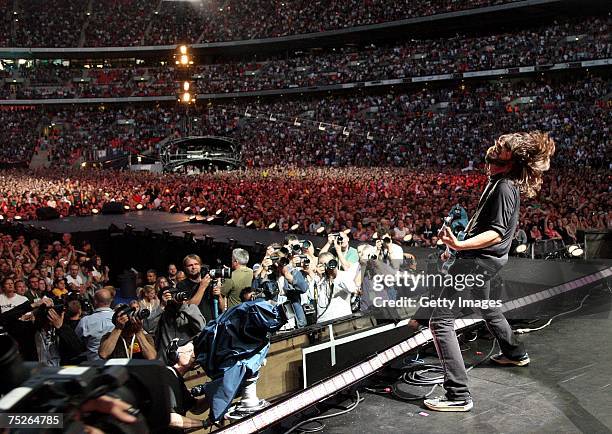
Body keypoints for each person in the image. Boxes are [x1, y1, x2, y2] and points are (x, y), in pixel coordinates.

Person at [424, 131, 555, 412]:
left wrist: (459, 244)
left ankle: (457, 394)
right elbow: (483, 226)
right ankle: (515, 352)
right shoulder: (497, 182)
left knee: (440, 322)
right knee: (487, 307)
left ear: (510, 161)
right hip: (480, 260)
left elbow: (495, 233)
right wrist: (458, 247)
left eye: (502, 147)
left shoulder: (505, 187)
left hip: (477, 263)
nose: (495, 146)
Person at [75, 288, 115, 361]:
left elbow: (76, 341)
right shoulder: (120, 318)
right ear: (110, 301)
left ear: (95, 301)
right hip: (116, 365)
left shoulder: (85, 321)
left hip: (93, 364)